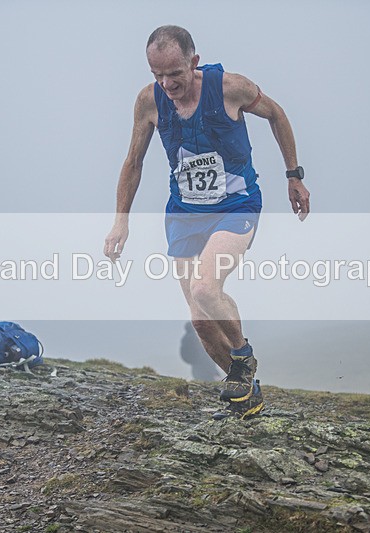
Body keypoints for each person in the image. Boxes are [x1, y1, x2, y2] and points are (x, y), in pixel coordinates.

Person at [104, 25, 310, 420]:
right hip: (184, 214)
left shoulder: (230, 88)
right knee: (200, 321)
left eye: (174, 74)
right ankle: (246, 398)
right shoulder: (149, 102)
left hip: (236, 206)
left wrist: (293, 175)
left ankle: (243, 358)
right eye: (157, 76)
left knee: (204, 288)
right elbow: (133, 162)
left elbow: (277, 114)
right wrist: (120, 223)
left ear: (193, 63)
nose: (166, 84)